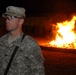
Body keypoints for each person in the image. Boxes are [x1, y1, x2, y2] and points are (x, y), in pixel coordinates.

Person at [0, 6, 45, 75]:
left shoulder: (30, 44)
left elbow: (38, 71)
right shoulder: (1, 40)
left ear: (21, 21)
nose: (6, 20)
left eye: (11, 17)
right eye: (6, 17)